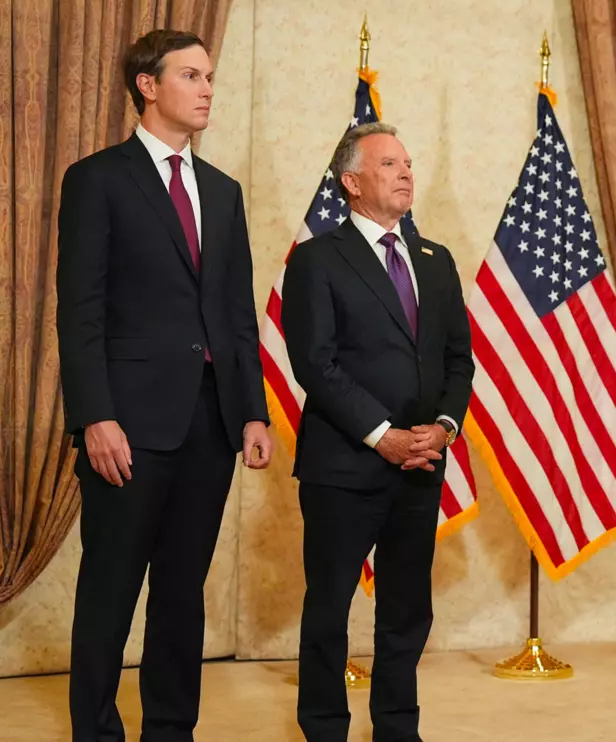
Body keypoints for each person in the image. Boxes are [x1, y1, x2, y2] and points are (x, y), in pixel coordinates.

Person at [55, 29, 272, 741]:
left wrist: (251, 413)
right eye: (191, 74)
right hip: (128, 425)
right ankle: (95, 731)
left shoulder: (223, 191)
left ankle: (171, 730)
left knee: (181, 595)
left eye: (209, 75)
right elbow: (79, 311)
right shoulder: (97, 179)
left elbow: (237, 315)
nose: (208, 87)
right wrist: (95, 417)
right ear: (147, 86)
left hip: (209, 426)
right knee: (111, 591)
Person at [280, 121, 474, 742]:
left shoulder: (434, 260)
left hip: (421, 464)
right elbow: (314, 362)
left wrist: (442, 428)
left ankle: (396, 728)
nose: (406, 173)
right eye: (390, 164)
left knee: (406, 612)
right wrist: (382, 434)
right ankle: (324, 729)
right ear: (352, 180)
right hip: (345, 466)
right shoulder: (316, 258)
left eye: (409, 163)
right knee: (329, 609)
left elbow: (457, 359)